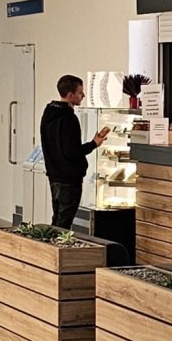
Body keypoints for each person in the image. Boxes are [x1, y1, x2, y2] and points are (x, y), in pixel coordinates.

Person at [39, 74, 105, 230]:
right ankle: (58, 245)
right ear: (70, 95)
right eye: (80, 92)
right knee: (64, 223)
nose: (83, 95)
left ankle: (50, 243)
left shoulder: (48, 114)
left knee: (57, 217)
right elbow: (71, 151)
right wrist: (93, 144)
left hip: (54, 174)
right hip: (69, 178)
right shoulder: (69, 118)